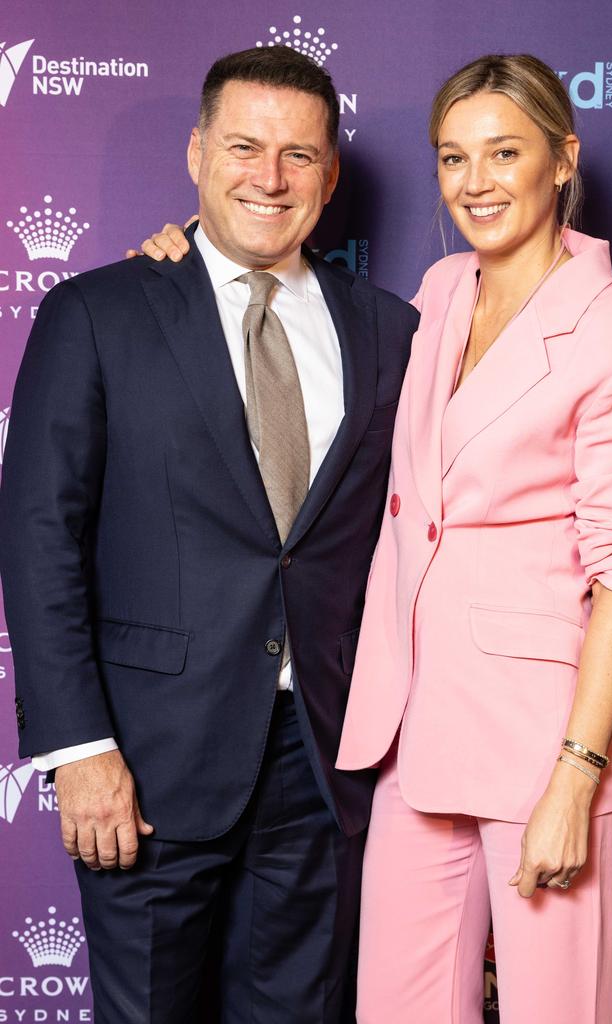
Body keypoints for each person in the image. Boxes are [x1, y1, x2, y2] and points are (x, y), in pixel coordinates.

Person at [0, 45, 418, 1024]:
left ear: (331, 174)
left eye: (298, 155)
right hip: (146, 763)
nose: (268, 177)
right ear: (196, 153)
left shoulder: (393, 334)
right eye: (243, 145)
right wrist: (79, 748)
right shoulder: (97, 312)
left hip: (322, 763)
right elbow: (39, 535)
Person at [333, 54, 612, 1023]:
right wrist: (190, 258)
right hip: (411, 730)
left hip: (541, 741)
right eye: (454, 158)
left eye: (504, 152)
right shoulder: (442, 290)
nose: (476, 182)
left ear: (562, 158)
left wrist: (576, 777)